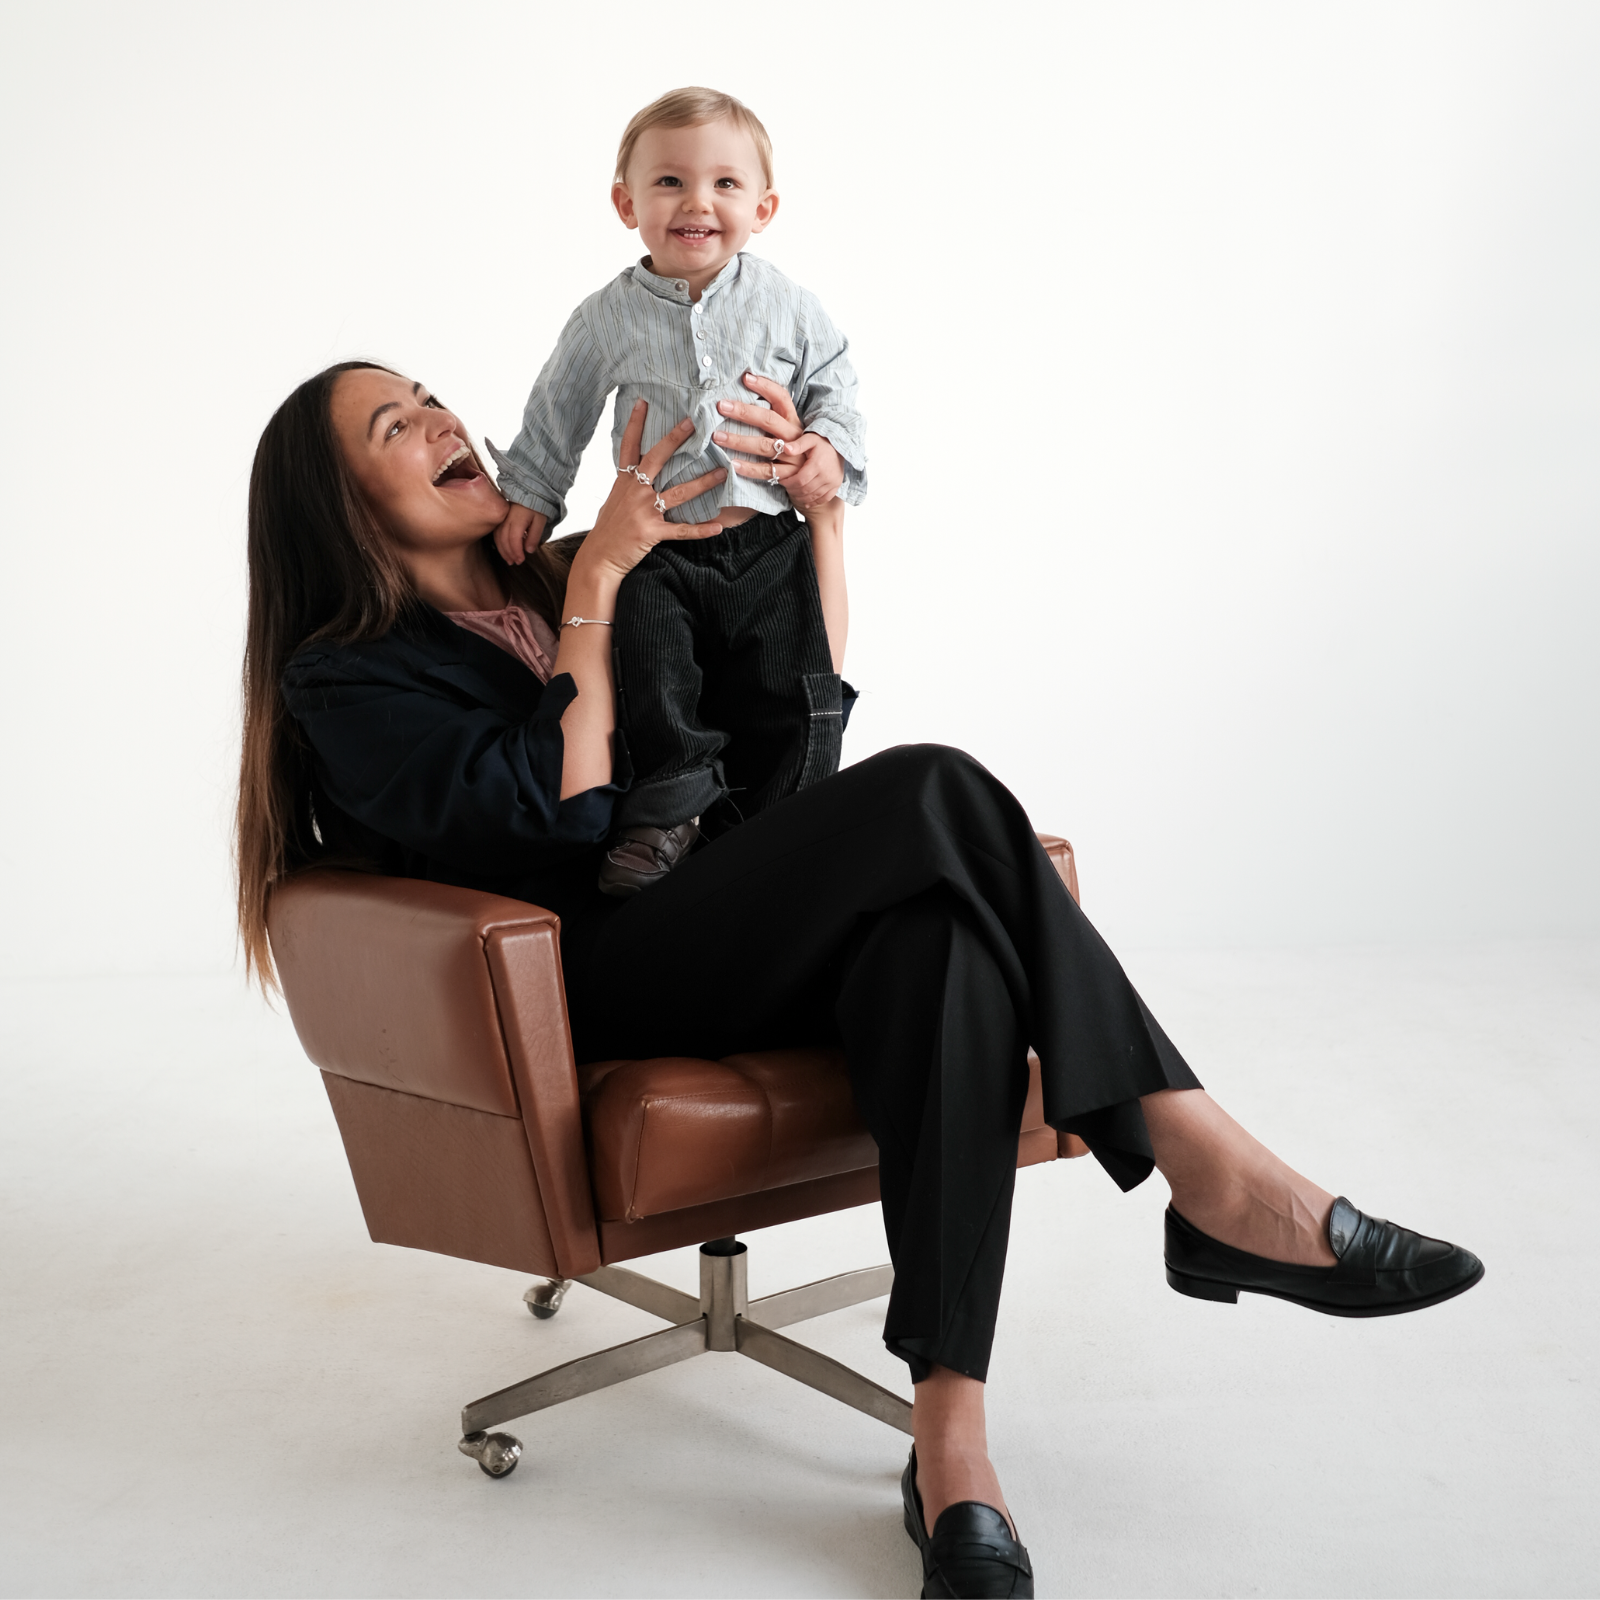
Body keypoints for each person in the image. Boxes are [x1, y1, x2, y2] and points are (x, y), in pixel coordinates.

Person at [238, 362, 1484, 1600]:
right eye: (396, 427)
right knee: (932, 781)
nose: (441, 421)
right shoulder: (351, 675)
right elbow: (558, 811)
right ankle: (1206, 1162)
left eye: (432, 397)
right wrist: (599, 583)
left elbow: (793, 705)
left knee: (942, 948)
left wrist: (819, 516)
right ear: (341, 508)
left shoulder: (568, 562)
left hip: (727, 919)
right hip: (586, 982)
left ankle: (953, 1452)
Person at [486, 87, 864, 896]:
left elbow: (835, 383)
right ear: (626, 204)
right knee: (654, 670)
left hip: (768, 543)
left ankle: (793, 817)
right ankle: (671, 805)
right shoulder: (606, 316)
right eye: (669, 182)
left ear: (763, 208)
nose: (698, 202)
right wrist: (533, 491)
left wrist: (826, 450)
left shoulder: (788, 304)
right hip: (659, 543)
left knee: (792, 684)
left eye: (725, 184)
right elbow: (559, 407)